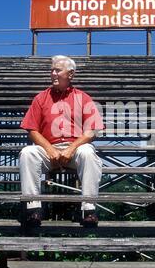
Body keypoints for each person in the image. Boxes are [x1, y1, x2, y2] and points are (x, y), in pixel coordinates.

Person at [19, 55, 104, 228]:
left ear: (70, 74)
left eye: (57, 70)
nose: (53, 74)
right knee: (27, 153)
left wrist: (71, 148)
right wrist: (50, 149)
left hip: (76, 148)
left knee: (88, 152)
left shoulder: (83, 98)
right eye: (52, 70)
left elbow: (92, 130)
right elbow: (32, 130)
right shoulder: (41, 98)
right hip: (47, 149)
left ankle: (89, 210)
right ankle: (33, 209)